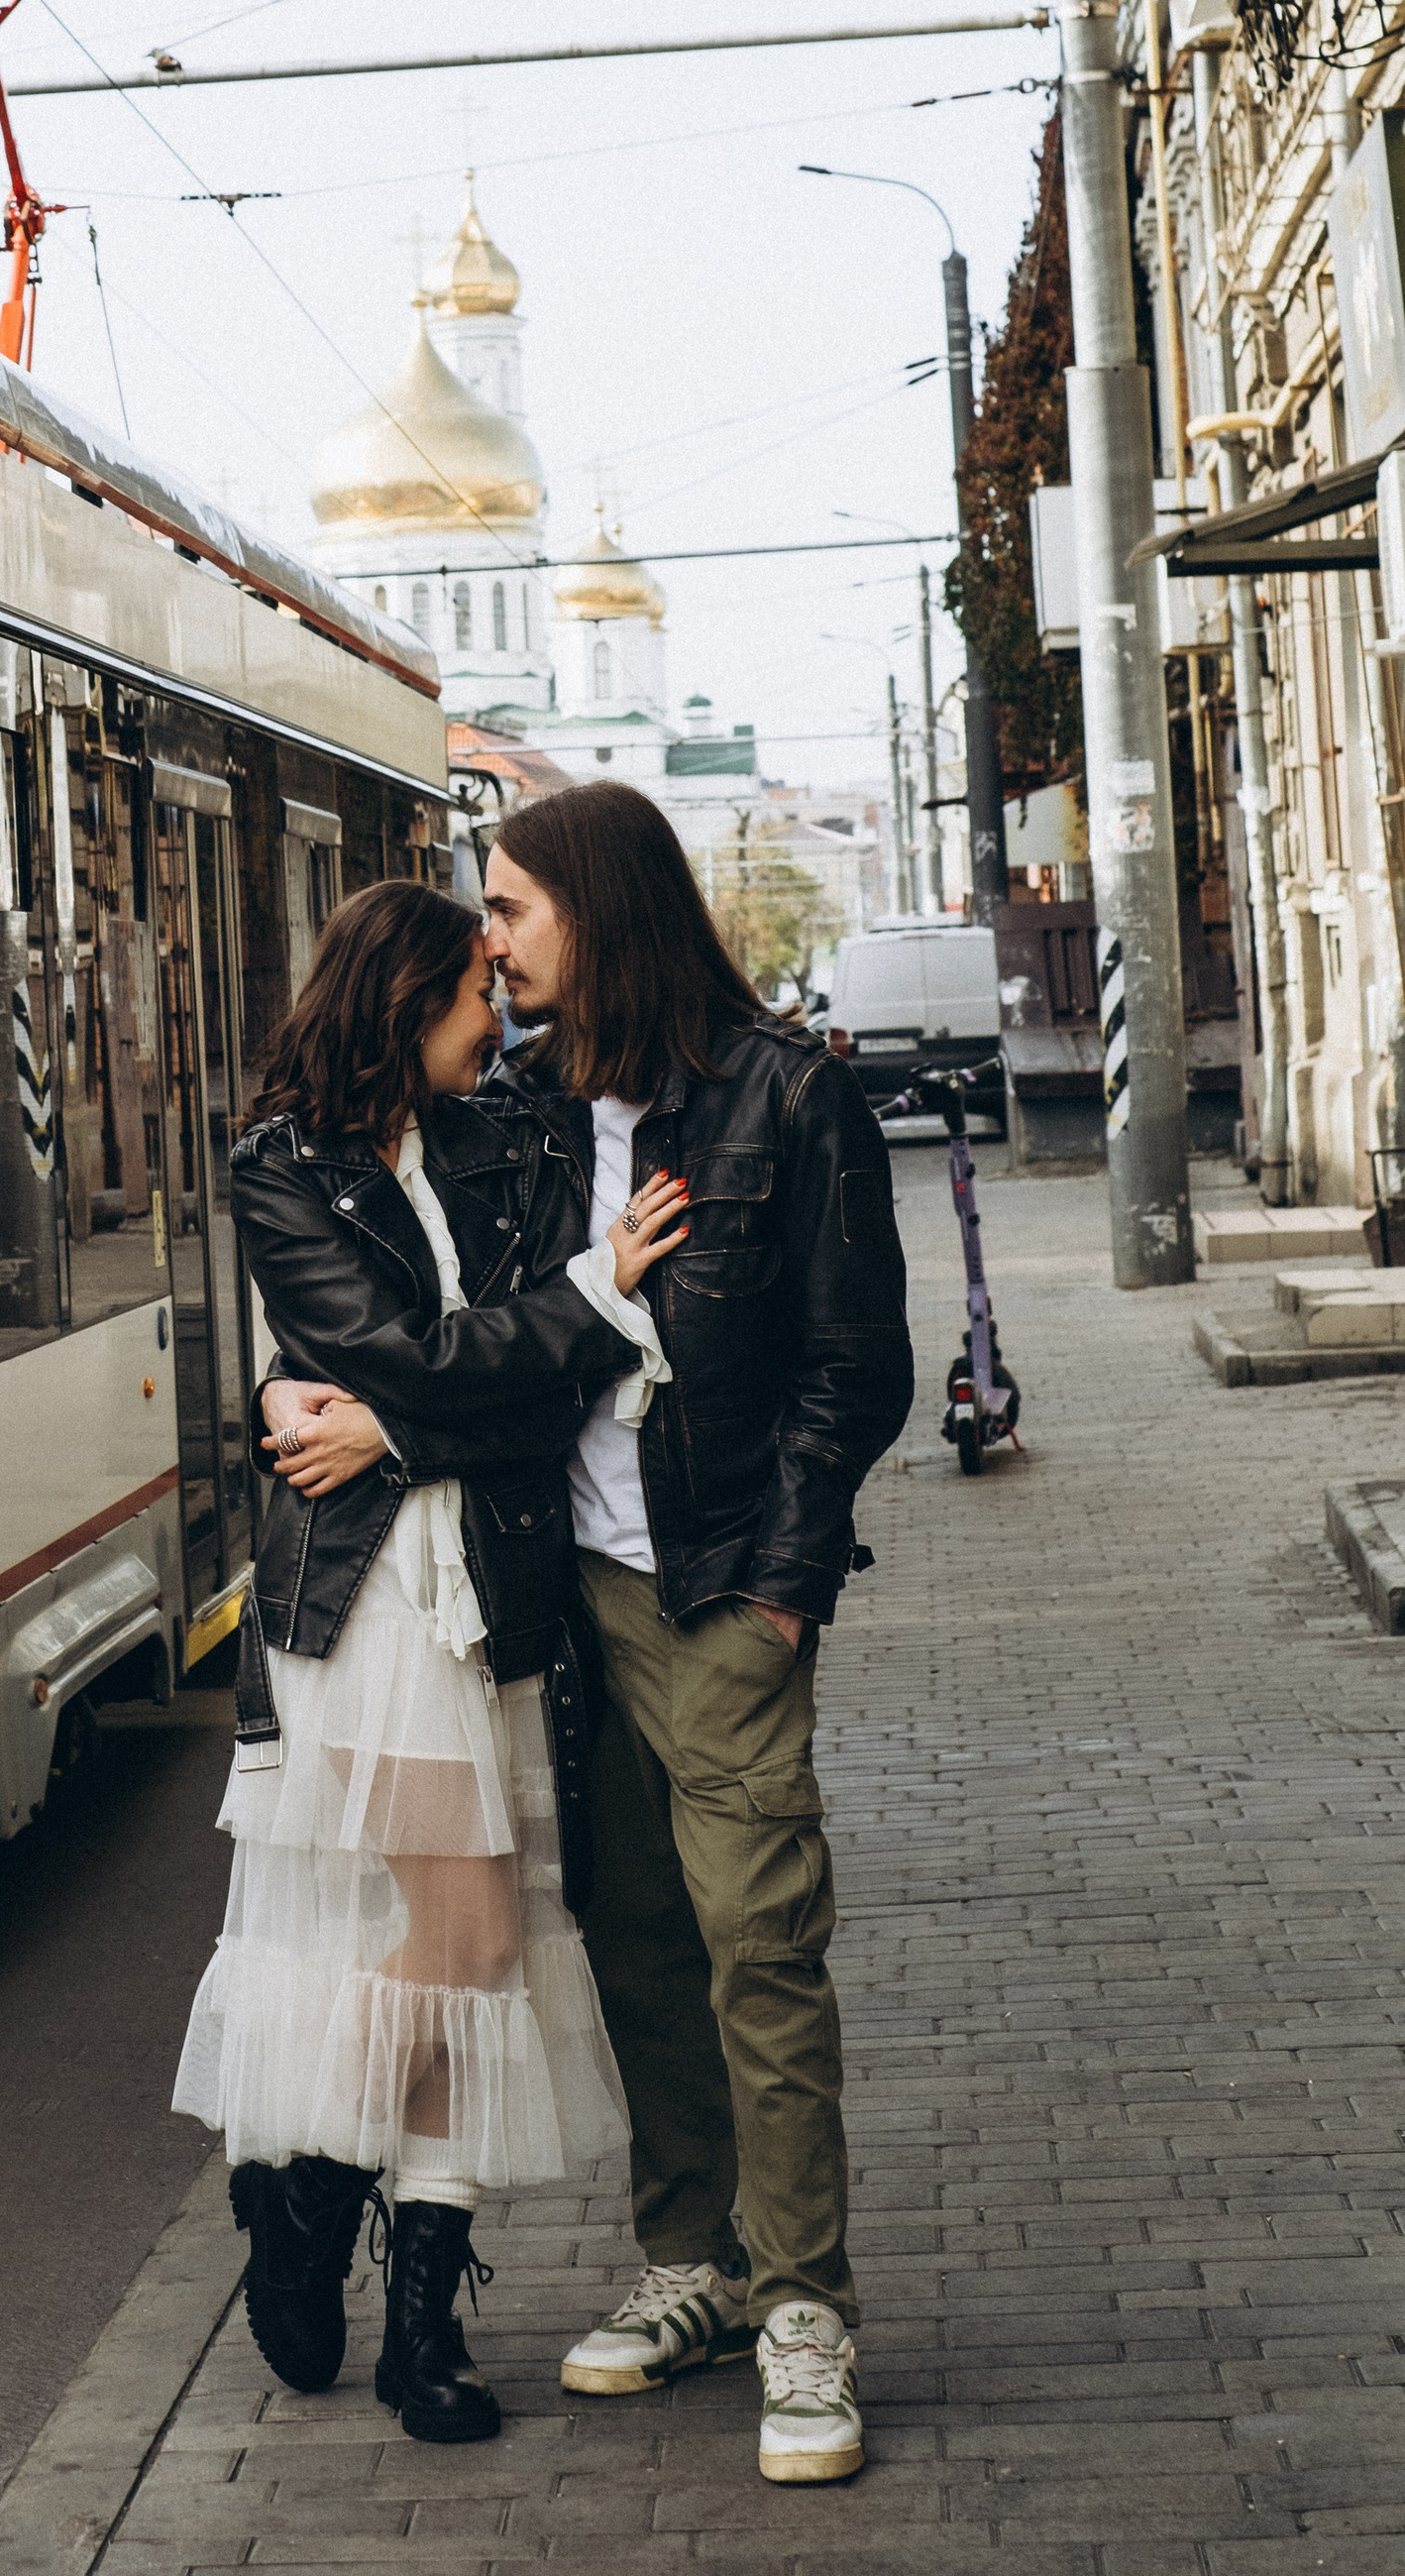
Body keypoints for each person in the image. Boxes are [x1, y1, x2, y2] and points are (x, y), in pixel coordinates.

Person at [172, 877, 655, 2445]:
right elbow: (439, 1354)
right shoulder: (283, 1168)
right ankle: (314, 2193)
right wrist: (574, 1310)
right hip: (369, 1603)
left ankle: (416, 2315)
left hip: (495, 1579)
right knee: (457, 1931)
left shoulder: (510, 1133)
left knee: (494, 1937)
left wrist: (397, 1414)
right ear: (402, 1003)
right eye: (474, 998)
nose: (499, 1022)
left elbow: (491, 1386)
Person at [474, 780, 915, 2487]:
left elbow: (851, 1367)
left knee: (760, 1943)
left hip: (725, 1583)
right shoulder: (511, 1108)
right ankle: (697, 2269)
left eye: (512, 907)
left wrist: (789, 1581)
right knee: (637, 1935)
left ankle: (807, 2305)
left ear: (599, 909)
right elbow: (481, 1329)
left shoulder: (789, 1096)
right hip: (573, 1598)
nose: (491, 940)